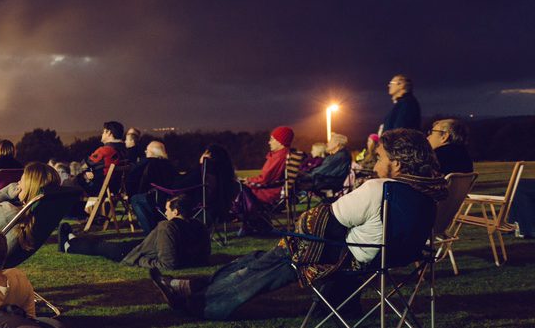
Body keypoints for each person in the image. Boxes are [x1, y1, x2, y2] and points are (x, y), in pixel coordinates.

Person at [149, 129, 446, 321]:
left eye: (380, 157)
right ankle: (187, 287)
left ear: (397, 162)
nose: (375, 162)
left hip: (346, 260)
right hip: (384, 261)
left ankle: (200, 304)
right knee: (258, 260)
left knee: (272, 264)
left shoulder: (381, 188)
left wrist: (303, 230)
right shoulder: (428, 194)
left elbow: (327, 218)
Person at [60, 195, 210, 271]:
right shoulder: (199, 226)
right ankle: (73, 238)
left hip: (139, 253)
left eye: (167, 209)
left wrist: (138, 261)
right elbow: (204, 256)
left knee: (102, 246)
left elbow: (167, 263)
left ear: (176, 211)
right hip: (148, 246)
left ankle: (69, 245)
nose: (165, 212)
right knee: (114, 243)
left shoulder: (168, 227)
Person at [126, 141, 181, 233]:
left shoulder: (147, 164)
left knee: (135, 199)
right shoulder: (169, 165)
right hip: (171, 197)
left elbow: (132, 179)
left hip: (157, 199)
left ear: (151, 152)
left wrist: (129, 194)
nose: (145, 152)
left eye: (147, 150)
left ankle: (151, 232)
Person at [78, 121, 128, 196]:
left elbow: (86, 163)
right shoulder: (125, 150)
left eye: (103, 132)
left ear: (109, 133)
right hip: (115, 188)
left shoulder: (106, 150)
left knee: (69, 182)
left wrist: (85, 169)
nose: (102, 134)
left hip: (101, 188)